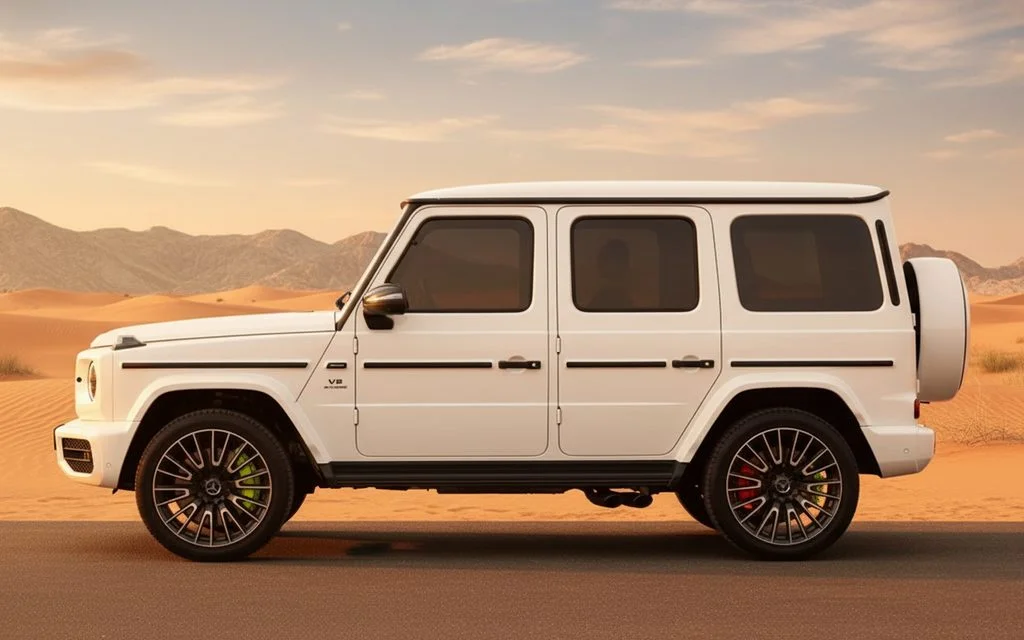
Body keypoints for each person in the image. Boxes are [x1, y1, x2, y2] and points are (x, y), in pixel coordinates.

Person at [588, 238, 633, 309]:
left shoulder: (611, 296)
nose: (599, 263)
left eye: (604, 258)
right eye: (601, 258)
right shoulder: (609, 294)